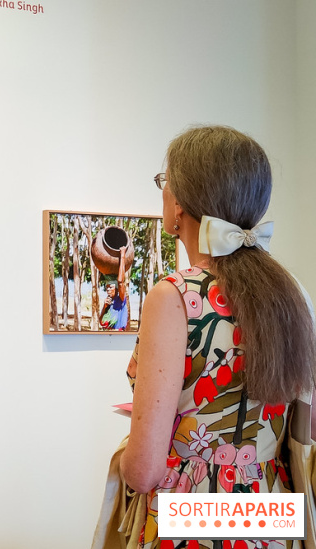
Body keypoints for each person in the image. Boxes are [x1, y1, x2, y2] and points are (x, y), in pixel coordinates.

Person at [113, 126, 316, 549]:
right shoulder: (292, 293)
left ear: (178, 209)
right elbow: (306, 425)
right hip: (273, 514)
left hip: (191, 521)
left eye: (164, 184)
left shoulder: (174, 297)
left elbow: (145, 471)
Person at [100, 245, 129, 330]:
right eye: (107, 287)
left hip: (118, 336)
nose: (108, 289)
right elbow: (101, 322)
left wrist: (122, 255)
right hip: (108, 337)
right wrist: (104, 307)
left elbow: (120, 282)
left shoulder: (121, 299)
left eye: (111, 287)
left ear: (117, 289)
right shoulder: (108, 302)